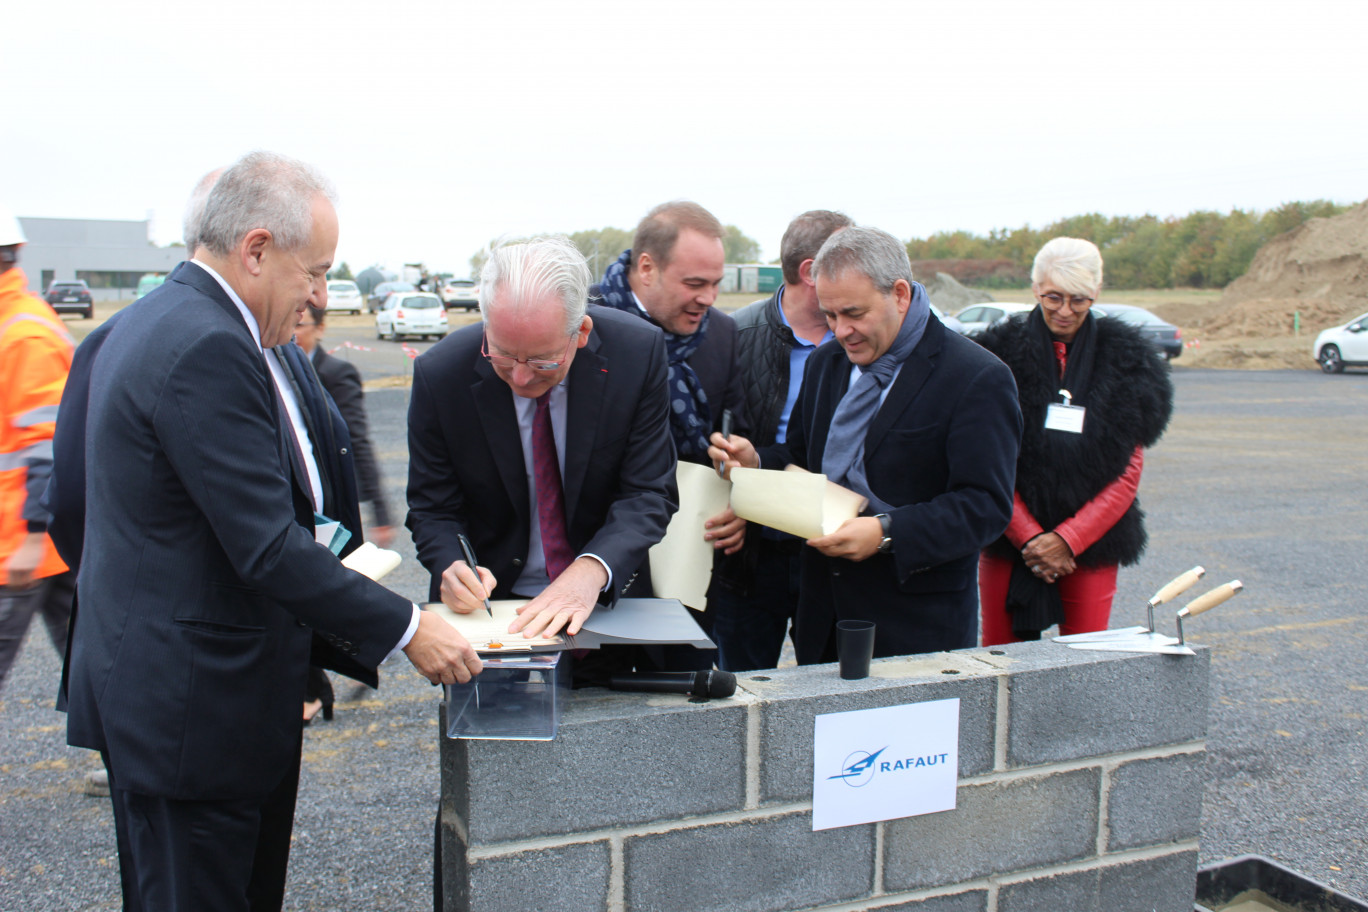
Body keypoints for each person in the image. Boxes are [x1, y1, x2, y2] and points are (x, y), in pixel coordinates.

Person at [61, 151, 482, 912]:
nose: (321, 295)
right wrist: (409, 627)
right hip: (193, 717)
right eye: (314, 271)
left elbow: (96, 513)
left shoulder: (154, 322)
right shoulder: (208, 344)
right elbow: (262, 544)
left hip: (183, 703)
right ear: (256, 249)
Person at [710, 226, 1022, 663]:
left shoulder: (976, 377)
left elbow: (984, 506)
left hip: (915, 625)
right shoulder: (827, 363)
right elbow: (804, 457)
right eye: (830, 315)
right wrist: (757, 458)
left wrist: (885, 533)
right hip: (824, 618)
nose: (841, 331)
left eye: (853, 313)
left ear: (899, 294)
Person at [407, 236, 677, 640]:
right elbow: (432, 507)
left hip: (599, 603)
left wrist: (591, 570)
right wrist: (451, 564)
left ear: (581, 332)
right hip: (489, 613)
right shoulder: (441, 374)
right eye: (500, 355)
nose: (520, 377)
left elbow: (648, 493)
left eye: (542, 360)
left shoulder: (635, 355)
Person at [973, 237, 1173, 644]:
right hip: (1009, 538)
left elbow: (1127, 470)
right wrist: (1028, 536)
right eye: (1053, 297)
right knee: (1001, 661)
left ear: (1097, 293)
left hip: (1094, 541)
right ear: (1035, 288)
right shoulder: (994, 355)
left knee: (1084, 661)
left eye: (1079, 300)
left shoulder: (1129, 360)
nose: (1065, 311)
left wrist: (1069, 539)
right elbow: (981, 457)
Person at [589, 201, 746, 663]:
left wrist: (740, 500)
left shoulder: (721, 335)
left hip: (692, 569)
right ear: (646, 268)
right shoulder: (583, 328)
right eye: (694, 284)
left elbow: (739, 434)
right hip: (604, 568)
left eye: (716, 284)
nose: (708, 298)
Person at [708, 210, 852, 671]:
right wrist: (730, 487)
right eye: (847, 258)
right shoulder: (731, 335)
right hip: (749, 553)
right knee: (740, 692)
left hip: (835, 547)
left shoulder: (863, 339)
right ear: (810, 272)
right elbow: (703, 442)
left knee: (832, 687)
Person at [0, 205, 74, 693]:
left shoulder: (23, 331)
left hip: (24, 540)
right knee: (91, 662)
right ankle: (136, 765)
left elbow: (45, 437)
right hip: (37, 538)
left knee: (90, 659)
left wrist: (31, 534)